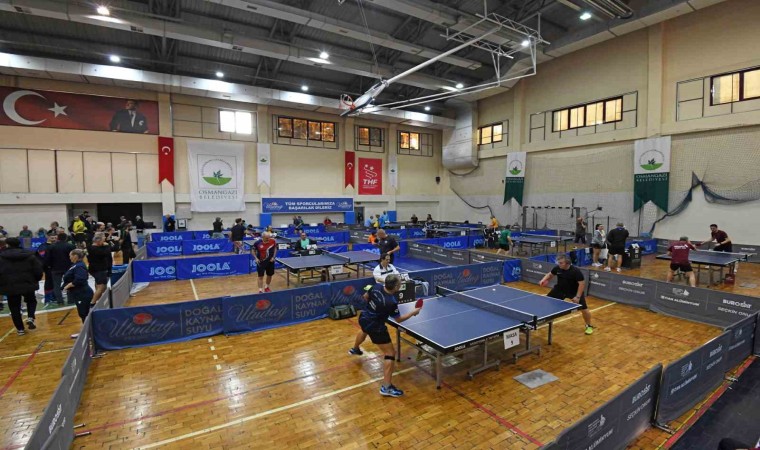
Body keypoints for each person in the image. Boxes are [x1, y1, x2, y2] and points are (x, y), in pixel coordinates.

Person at [348, 275, 420, 397]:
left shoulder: (375, 286)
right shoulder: (391, 302)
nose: (400, 285)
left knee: (364, 330)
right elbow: (399, 319)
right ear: (396, 287)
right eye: (400, 284)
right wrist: (414, 312)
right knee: (390, 354)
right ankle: (386, 387)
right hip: (376, 327)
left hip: (364, 317)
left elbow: (365, 297)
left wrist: (373, 309)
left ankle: (355, 349)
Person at [539, 254, 594, 335]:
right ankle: (547, 319)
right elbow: (550, 274)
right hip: (560, 289)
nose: (559, 264)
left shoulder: (576, 271)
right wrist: (544, 280)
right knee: (549, 302)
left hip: (573, 291)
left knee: (584, 309)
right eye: (559, 262)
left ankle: (588, 326)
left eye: (561, 263)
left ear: (567, 263)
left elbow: (582, 284)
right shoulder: (558, 268)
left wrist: (578, 297)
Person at [0, 238, 43, 335]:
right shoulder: (30, 255)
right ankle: (30, 317)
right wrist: (36, 279)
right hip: (27, 283)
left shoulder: (1, 257)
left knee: (14, 307)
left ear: (7, 245)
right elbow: (38, 269)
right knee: (31, 301)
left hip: (10, 285)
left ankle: (20, 329)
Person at [63, 249, 95, 338]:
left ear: (75, 256)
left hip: (83, 293)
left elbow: (81, 278)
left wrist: (69, 285)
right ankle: (87, 332)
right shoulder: (75, 265)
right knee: (83, 313)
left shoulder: (79, 266)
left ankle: (89, 333)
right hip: (79, 293)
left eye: (70, 256)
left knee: (84, 313)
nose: (69, 258)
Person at [46, 232, 76, 305]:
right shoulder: (71, 246)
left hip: (55, 268)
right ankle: (71, 300)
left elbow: (48, 258)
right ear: (66, 238)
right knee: (69, 283)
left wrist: (49, 266)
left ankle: (59, 301)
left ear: (57, 238)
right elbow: (75, 257)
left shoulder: (51, 247)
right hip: (68, 267)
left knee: (56, 285)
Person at [88, 232, 117, 307]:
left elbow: (115, 248)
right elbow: (105, 253)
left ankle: (99, 301)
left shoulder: (95, 247)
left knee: (99, 286)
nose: (104, 242)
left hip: (98, 269)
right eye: (102, 240)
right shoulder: (94, 249)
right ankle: (92, 303)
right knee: (101, 287)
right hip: (99, 270)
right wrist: (107, 246)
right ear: (98, 241)